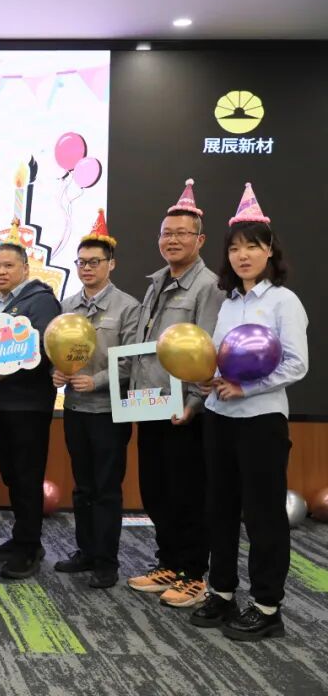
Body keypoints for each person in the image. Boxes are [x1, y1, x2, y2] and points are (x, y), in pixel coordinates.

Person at [189, 183, 308, 641]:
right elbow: (221, 357)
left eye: (253, 246)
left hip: (261, 422)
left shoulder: (283, 301)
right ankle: (221, 592)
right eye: (235, 248)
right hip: (219, 418)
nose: (243, 255)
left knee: (263, 516)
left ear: (269, 250)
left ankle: (266, 606)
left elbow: (296, 363)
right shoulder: (228, 303)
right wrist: (209, 380)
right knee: (218, 509)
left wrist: (247, 387)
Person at [127, 179, 225, 608]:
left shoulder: (209, 287)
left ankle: (193, 573)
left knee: (188, 492)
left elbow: (208, 352)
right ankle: (167, 562)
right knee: (156, 489)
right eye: (167, 233)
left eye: (182, 233)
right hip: (151, 403)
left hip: (185, 410)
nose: (172, 240)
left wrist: (193, 404)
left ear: (200, 240)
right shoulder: (156, 283)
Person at [51, 211, 139, 588]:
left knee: (106, 489)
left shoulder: (127, 307)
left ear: (111, 264)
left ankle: (107, 561)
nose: (87, 268)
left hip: (108, 413)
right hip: (74, 409)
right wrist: (56, 374)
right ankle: (85, 551)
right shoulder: (67, 305)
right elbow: (55, 349)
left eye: (94, 262)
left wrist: (97, 381)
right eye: (81, 262)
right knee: (82, 487)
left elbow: (132, 361)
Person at [0, 220, 61, 579]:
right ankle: (20, 538)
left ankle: (29, 548)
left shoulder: (41, 301)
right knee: (13, 476)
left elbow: (42, 350)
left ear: (25, 269)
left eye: (8, 266)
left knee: (27, 477)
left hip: (29, 405)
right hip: (1, 404)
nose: (1, 272)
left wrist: (5, 375)